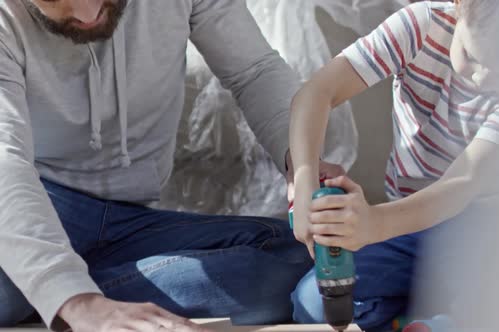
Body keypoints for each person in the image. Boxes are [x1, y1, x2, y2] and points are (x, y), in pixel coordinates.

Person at [0, 0, 346, 331]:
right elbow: (5, 159)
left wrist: (300, 167)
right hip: (34, 201)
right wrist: (78, 303)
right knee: (7, 286)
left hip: (132, 222)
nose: (89, 12)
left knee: (300, 257)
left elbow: (254, 71)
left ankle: (48, 287)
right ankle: (54, 290)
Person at [289, 1, 499, 331]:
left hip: (485, 232)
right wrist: (305, 182)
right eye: (473, 57)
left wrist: (372, 224)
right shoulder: (424, 23)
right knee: (312, 305)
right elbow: (317, 92)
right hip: (407, 225)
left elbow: (463, 182)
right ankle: (428, 311)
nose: (482, 80)